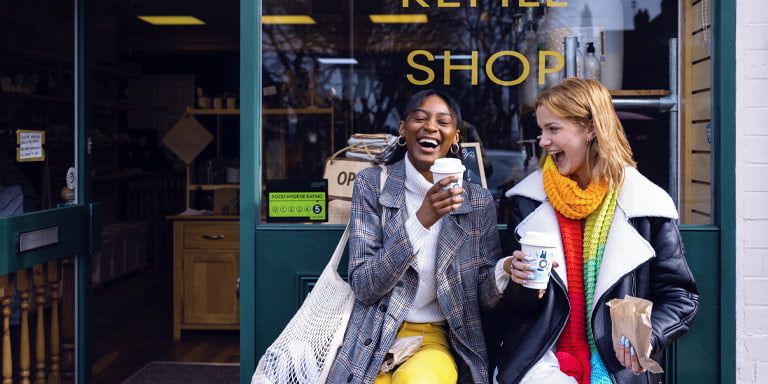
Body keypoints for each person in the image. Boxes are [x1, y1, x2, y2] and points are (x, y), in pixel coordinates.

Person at [491, 78, 699, 384]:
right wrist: (517, 279)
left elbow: (681, 296)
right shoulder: (528, 201)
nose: (543, 142)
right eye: (541, 130)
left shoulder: (646, 205)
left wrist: (649, 335)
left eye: (553, 129)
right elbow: (518, 308)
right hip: (541, 360)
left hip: (619, 367)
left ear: (590, 129)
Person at [326, 89, 504, 384]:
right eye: (420, 118)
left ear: (455, 137)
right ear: (402, 129)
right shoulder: (372, 184)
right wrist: (421, 220)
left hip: (435, 336)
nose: (430, 127)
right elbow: (365, 285)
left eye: (442, 122)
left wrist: (505, 271)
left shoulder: (477, 201)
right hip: (374, 331)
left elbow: (483, 297)